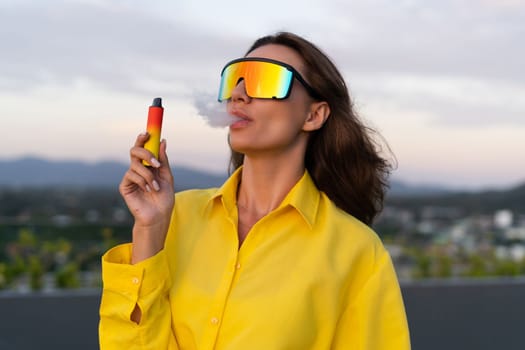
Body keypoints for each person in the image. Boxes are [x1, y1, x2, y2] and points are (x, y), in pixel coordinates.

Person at [99, 31, 411, 349]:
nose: (238, 95)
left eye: (265, 79)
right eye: (235, 80)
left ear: (314, 115)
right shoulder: (174, 216)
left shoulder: (356, 252)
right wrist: (149, 229)